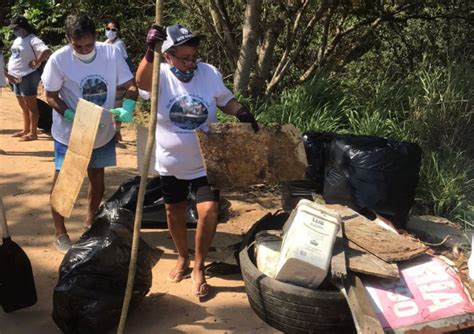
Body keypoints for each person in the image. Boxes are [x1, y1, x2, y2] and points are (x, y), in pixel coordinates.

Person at [135, 24, 259, 298]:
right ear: (168, 55)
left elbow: (225, 100)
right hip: (171, 162)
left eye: (194, 57)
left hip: (206, 160)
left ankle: (199, 265)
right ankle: (182, 256)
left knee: (208, 212)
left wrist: (241, 111)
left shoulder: (209, 73)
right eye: (185, 58)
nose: (191, 63)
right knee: (173, 212)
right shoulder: (160, 74)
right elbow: (141, 83)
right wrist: (148, 52)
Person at [41, 14, 138, 254]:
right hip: (71, 132)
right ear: (68, 39)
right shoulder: (59, 60)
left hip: (102, 129)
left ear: (96, 37)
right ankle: (60, 232)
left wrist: (127, 107)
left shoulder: (111, 54)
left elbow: (131, 85)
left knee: (97, 180)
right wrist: (70, 115)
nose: (84, 50)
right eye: (78, 46)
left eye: (89, 45)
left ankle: (90, 221)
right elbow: (50, 95)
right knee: (66, 184)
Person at [7, 16, 51, 141]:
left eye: (16, 28)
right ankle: (26, 129)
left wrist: (37, 62)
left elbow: (46, 51)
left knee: (31, 106)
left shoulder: (33, 39)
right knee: (23, 105)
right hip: (16, 77)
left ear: (23, 27)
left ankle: (33, 133)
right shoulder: (17, 40)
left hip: (28, 76)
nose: (14, 31)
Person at [104, 18, 134, 143]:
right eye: (108, 29)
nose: (110, 31)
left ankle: (116, 131)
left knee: (117, 105)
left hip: (119, 78)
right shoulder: (106, 42)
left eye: (113, 29)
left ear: (117, 31)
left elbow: (121, 63)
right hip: (108, 77)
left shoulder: (119, 44)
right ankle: (113, 132)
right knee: (110, 104)